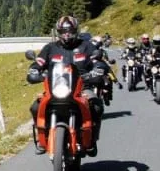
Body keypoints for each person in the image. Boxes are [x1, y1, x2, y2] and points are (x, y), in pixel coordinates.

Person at [26, 15, 107, 156]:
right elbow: (38, 63)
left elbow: (98, 61)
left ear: (76, 30)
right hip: (55, 89)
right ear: (58, 32)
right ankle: (41, 139)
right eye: (63, 31)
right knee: (35, 107)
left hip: (82, 88)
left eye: (70, 30)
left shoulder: (86, 46)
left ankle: (92, 140)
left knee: (96, 106)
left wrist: (98, 70)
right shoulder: (50, 48)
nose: (67, 34)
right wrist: (34, 71)